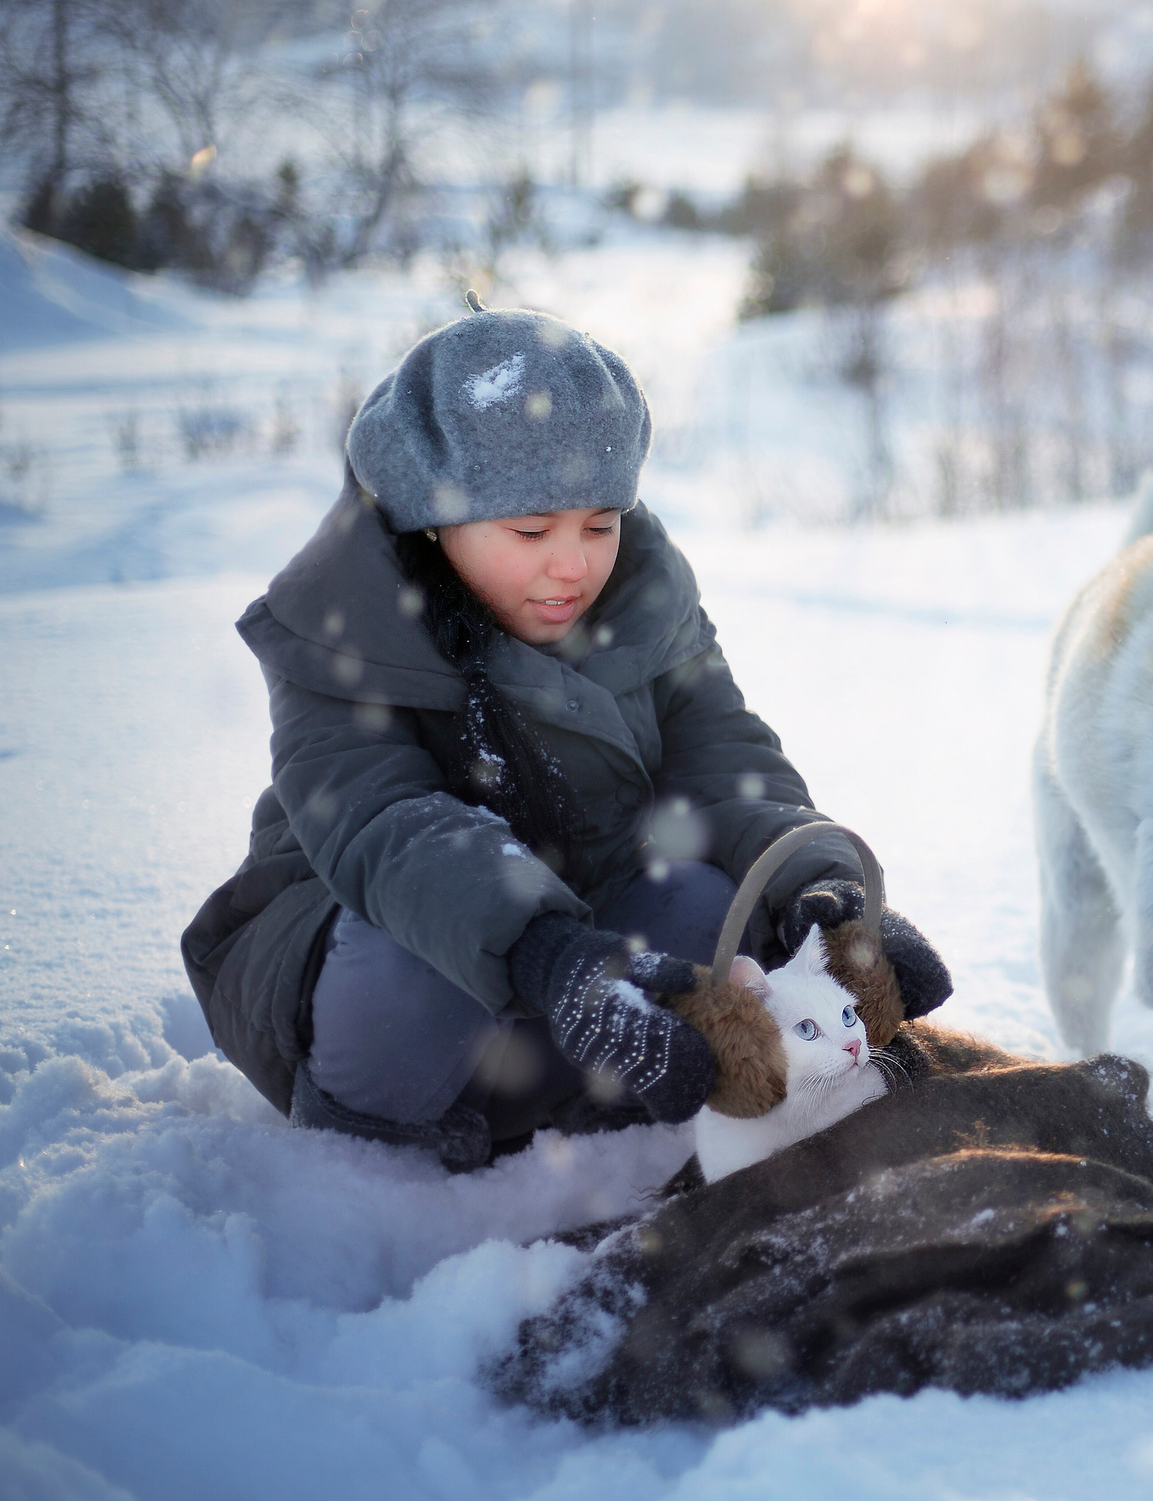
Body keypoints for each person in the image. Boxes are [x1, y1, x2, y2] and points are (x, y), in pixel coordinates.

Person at [182, 300, 947, 1170]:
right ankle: (384, 1157)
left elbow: (727, 761)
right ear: (431, 519)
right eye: (530, 530)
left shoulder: (643, 602)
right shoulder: (341, 623)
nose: (573, 564)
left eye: (600, 524)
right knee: (411, 941)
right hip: (383, 1001)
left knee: (702, 900)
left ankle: (602, 1099)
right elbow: (385, 823)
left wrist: (823, 896)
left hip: (590, 976)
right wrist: (544, 952)